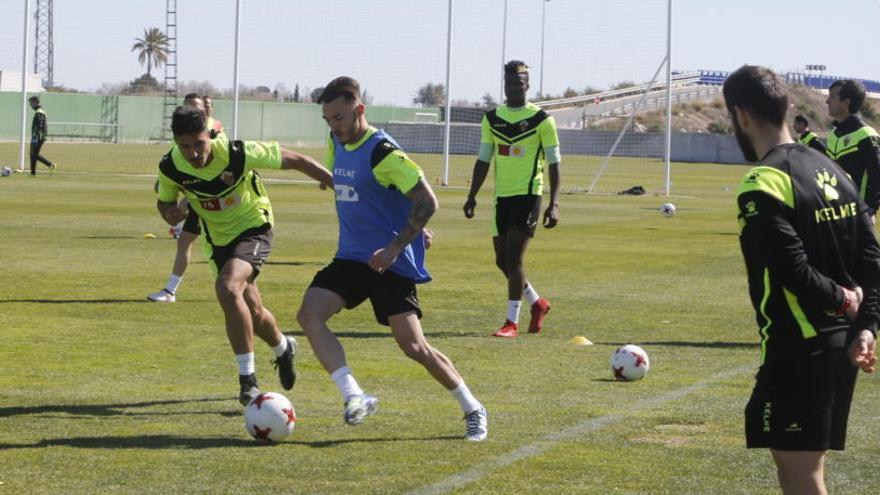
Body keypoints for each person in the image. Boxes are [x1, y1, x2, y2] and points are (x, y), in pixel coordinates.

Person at [295, 76, 488, 441]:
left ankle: (473, 408)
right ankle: (355, 395)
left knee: (414, 347)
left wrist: (398, 245)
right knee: (309, 314)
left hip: (390, 262)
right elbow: (356, 188)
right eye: (328, 119)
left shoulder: (383, 151)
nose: (333, 127)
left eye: (338, 118)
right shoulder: (337, 142)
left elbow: (427, 201)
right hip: (352, 257)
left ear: (359, 110)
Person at [725, 65, 879, 495]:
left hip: (801, 346)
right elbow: (871, 256)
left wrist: (844, 302)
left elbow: (789, 267)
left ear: (741, 116)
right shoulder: (834, 171)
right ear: (786, 108)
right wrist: (866, 325)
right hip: (842, 344)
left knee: (801, 479)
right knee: (805, 472)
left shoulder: (764, 182)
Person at [156, 105, 333, 405]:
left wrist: (340, 186)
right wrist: (170, 213)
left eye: (199, 144)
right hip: (217, 239)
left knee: (228, 287)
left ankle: (247, 380)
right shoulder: (171, 166)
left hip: (254, 227)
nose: (194, 153)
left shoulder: (238, 153)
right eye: (185, 146)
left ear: (209, 136)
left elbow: (297, 160)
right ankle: (283, 348)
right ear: (176, 142)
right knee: (252, 310)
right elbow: (165, 205)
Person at [463, 60, 561, 338]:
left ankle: (511, 323)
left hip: (529, 194)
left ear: (527, 85)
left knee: (514, 258)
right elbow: (483, 159)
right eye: (510, 82)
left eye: (520, 82)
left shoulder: (542, 120)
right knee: (501, 260)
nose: (515, 87)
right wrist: (471, 196)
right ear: (504, 85)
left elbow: (554, 164)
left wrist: (554, 203)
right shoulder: (492, 118)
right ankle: (538, 303)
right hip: (502, 197)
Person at [148, 94, 224, 303]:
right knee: (186, 242)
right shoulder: (184, 131)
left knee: (214, 248)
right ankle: (170, 291)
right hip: (198, 199)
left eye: (198, 106)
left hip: (213, 201)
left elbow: (214, 165)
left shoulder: (212, 128)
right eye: (189, 106)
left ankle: (229, 289)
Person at [825, 79, 880, 220]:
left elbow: (877, 177)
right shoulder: (832, 135)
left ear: (846, 102)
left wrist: (871, 209)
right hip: (835, 215)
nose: (827, 101)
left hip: (859, 216)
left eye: (832, 96)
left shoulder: (867, 135)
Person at [28, 96, 55, 176]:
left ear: (36, 102)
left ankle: (50, 165)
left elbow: (40, 124)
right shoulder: (40, 111)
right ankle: (32, 173)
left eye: (31, 103)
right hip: (39, 136)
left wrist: (35, 135)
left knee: (34, 154)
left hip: (38, 136)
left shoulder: (39, 112)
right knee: (32, 153)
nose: (30, 105)